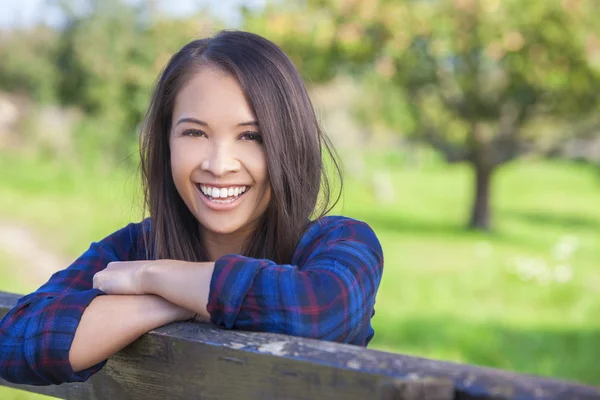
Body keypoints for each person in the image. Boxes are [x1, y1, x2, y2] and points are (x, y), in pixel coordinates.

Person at [0, 30, 383, 386]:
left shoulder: (341, 243)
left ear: (289, 143)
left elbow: (320, 311)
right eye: (195, 133)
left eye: (251, 136)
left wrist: (154, 277)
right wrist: (171, 300)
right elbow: (14, 341)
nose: (219, 164)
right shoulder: (136, 248)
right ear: (167, 141)